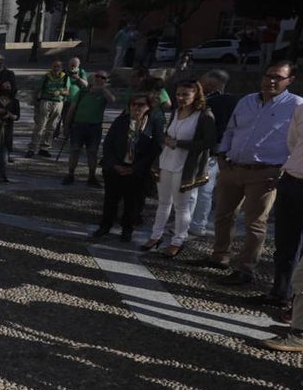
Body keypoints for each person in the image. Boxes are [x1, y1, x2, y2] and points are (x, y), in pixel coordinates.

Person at [209, 61, 303, 287]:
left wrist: (283, 169)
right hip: (233, 167)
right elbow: (232, 129)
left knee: (254, 223)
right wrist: (222, 154)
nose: (271, 80)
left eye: (278, 77)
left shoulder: (298, 106)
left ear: (290, 80)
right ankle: (219, 256)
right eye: (268, 75)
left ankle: (245, 268)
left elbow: (301, 143)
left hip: (265, 172)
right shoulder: (247, 100)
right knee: (223, 215)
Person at [141, 80, 216, 258]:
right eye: (178, 94)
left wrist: (180, 144)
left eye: (185, 95)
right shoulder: (177, 111)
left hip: (185, 166)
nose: (181, 98)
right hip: (167, 161)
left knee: (181, 206)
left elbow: (209, 142)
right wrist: (167, 139)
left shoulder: (204, 115)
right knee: (163, 202)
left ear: (196, 95)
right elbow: (171, 132)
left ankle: (178, 241)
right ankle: (155, 235)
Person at [257, 98, 303, 308]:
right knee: (285, 243)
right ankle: (281, 293)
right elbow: (293, 142)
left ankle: (300, 310)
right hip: (292, 179)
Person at [93, 93, 160, 242]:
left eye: (141, 105)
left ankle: (127, 229)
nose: (136, 107)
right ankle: (105, 226)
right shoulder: (120, 121)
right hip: (115, 167)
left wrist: (135, 169)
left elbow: (154, 150)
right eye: (133, 104)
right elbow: (108, 144)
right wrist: (114, 165)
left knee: (132, 202)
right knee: (110, 200)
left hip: (136, 170)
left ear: (148, 107)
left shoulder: (153, 124)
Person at [189, 70, 235, 236]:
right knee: (205, 189)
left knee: (197, 188)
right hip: (218, 149)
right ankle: (197, 223)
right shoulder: (232, 101)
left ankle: (193, 223)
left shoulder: (210, 102)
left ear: (210, 84)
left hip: (207, 149)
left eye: (202, 82)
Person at [62, 69, 114, 186]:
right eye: (97, 76)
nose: (99, 79)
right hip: (78, 125)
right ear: (93, 77)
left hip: (94, 126)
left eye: (103, 78)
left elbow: (112, 100)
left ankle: (91, 176)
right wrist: (66, 126)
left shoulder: (104, 94)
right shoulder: (82, 92)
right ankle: (70, 174)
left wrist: (104, 89)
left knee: (92, 152)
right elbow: (71, 109)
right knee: (74, 150)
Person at [27, 59, 69, 158]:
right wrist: (35, 102)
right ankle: (32, 148)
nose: (56, 69)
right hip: (46, 101)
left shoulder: (65, 77)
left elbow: (67, 91)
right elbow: (38, 89)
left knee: (52, 126)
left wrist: (60, 92)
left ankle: (44, 148)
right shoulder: (46, 76)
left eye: (58, 67)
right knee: (40, 125)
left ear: (61, 67)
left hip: (58, 102)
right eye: (54, 66)